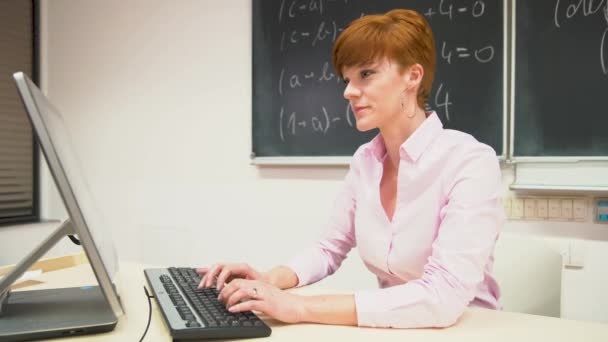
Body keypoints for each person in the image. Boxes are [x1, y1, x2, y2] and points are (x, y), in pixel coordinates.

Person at [197, 9, 505, 329]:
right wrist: (269, 280)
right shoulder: (365, 161)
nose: (348, 91)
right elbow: (329, 249)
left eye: (366, 74)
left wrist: (300, 307)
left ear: (412, 76)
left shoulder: (469, 162)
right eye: (348, 79)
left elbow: (442, 296)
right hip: (394, 328)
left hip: (468, 327)